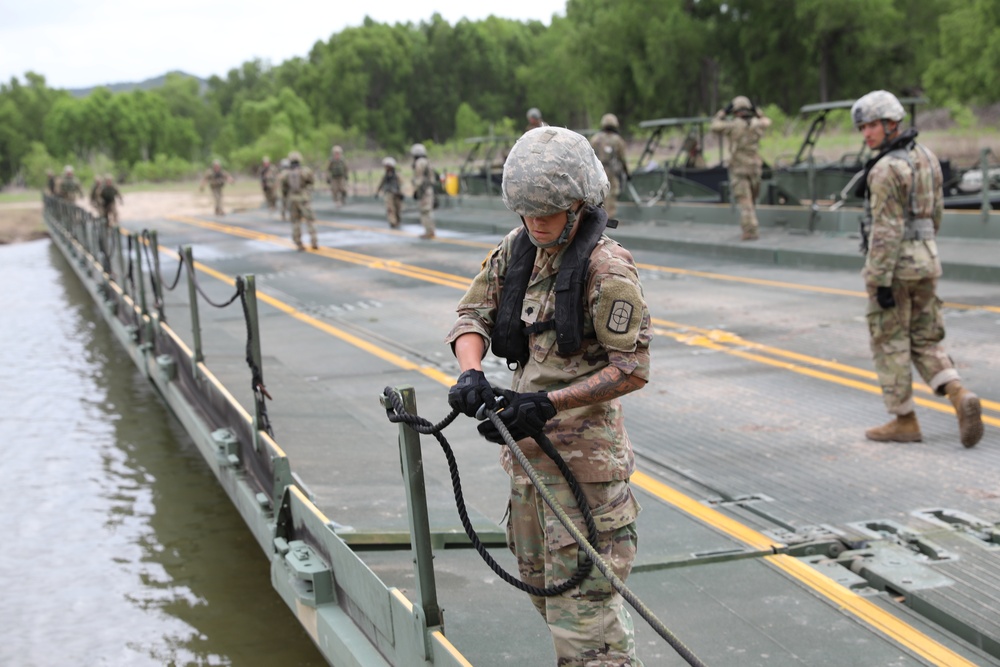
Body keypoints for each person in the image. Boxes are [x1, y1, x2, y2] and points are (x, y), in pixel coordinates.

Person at [445, 126, 651, 666]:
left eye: (549, 213)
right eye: (527, 212)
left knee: (586, 627)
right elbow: (472, 315)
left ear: (580, 204)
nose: (536, 223)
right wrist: (471, 373)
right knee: (548, 599)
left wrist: (548, 404)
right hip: (528, 467)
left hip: (585, 476)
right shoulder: (517, 252)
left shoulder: (607, 269)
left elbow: (631, 369)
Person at [851, 90, 983, 448]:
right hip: (927, 260)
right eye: (863, 127)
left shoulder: (884, 169)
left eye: (873, 125)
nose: (867, 134)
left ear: (892, 123)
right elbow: (936, 213)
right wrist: (922, 249)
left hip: (894, 268)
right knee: (925, 338)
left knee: (889, 340)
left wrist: (878, 279)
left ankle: (904, 420)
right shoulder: (927, 157)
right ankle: (959, 395)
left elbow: (886, 230)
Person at [711, 95, 771, 240]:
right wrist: (757, 111)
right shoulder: (757, 123)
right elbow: (767, 121)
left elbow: (714, 125)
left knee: (745, 202)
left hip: (739, 168)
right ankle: (751, 226)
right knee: (752, 200)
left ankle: (751, 231)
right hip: (755, 168)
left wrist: (723, 112)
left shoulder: (732, 125)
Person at [589, 113, 628, 219]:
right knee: (612, 192)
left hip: (598, 170)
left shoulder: (596, 139)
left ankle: (598, 217)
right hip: (612, 171)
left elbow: (589, 155)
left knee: (598, 193)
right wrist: (627, 172)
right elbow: (623, 158)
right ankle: (609, 218)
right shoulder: (618, 140)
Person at [279, 150, 318, 251]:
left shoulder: (285, 174)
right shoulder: (305, 171)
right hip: (304, 198)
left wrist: (286, 198)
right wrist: (307, 192)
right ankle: (314, 240)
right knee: (310, 220)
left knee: (296, 222)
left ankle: (298, 243)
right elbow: (312, 182)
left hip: (292, 199)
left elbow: (284, 189)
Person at [410, 143, 435, 239]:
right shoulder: (427, 161)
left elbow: (419, 178)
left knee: (425, 211)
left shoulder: (420, 162)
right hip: (428, 189)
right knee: (428, 210)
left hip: (424, 190)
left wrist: (416, 189)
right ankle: (430, 230)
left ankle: (428, 231)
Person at [374, 157, 403, 229]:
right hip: (388, 193)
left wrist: (401, 192)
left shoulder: (397, 175)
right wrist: (377, 192)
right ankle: (393, 222)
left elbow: (401, 184)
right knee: (390, 208)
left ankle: (398, 221)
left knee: (398, 208)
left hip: (396, 193)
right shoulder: (385, 176)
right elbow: (381, 184)